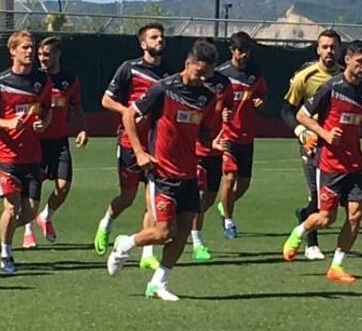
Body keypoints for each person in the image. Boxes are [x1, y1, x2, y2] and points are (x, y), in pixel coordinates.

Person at [106, 39, 221, 301]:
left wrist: (212, 143)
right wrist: (139, 152)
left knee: (182, 233)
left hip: (188, 173)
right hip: (163, 172)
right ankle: (125, 244)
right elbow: (128, 116)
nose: (201, 78)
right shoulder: (163, 89)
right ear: (187, 64)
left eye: (207, 74)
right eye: (198, 72)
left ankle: (159, 283)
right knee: (163, 232)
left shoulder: (207, 96)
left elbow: (203, 131)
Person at [281, 41, 362, 283]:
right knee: (326, 218)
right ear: (348, 60)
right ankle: (300, 230)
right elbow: (302, 115)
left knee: (355, 214)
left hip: (354, 164)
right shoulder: (330, 88)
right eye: (359, 62)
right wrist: (324, 134)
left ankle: (336, 266)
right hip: (330, 164)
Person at [93, 23, 171, 271]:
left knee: (152, 202)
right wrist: (128, 112)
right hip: (129, 142)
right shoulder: (129, 68)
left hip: (155, 146)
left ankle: (147, 253)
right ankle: (106, 223)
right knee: (127, 197)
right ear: (142, 43)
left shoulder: (169, 75)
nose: (160, 40)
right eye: (154, 37)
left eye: (162, 37)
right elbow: (106, 100)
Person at [0, 31, 51, 273]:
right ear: (12, 51)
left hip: (32, 155)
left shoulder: (42, 81)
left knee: (29, 211)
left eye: (31, 47)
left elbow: (46, 110)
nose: (29, 51)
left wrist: (44, 122)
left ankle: (6, 231)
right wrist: (7, 124)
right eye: (25, 47)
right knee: (11, 207)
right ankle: (5, 254)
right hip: (6, 155)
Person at [281, 30, 344, 261]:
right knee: (317, 195)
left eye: (333, 47)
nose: (329, 51)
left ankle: (303, 215)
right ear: (317, 49)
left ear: (340, 50)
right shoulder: (305, 77)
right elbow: (287, 110)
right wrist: (301, 132)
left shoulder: (345, 77)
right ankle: (311, 244)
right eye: (325, 46)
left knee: (339, 202)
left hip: (338, 147)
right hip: (312, 144)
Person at [22, 37, 87, 248]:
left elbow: (76, 106)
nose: (42, 59)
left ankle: (46, 216)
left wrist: (82, 128)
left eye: (47, 54)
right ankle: (28, 229)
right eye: (40, 54)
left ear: (58, 54)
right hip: (36, 142)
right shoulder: (33, 80)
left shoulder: (70, 79)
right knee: (34, 188)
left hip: (59, 142)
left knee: (64, 186)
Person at [214, 31, 267, 238]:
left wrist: (261, 100)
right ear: (232, 50)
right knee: (228, 178)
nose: (244, 55)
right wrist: (221, 111)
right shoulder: (221, 73)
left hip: (247, 134)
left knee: (243, 183)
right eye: (241, 51)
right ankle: (229, 221)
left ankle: (225, 205)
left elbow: (262, 93)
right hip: (227, 135)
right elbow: (210, 102)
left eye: (248, 51)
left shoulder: (255, 72)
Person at [192, 68, 232, 261]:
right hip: (196, 149)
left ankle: (184, 222)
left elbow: (229, 106)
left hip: (216, 149)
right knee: (199, 197)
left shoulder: (223, 83)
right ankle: (197, 243)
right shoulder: (191, 83)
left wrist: (227, 112)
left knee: (208, 199)